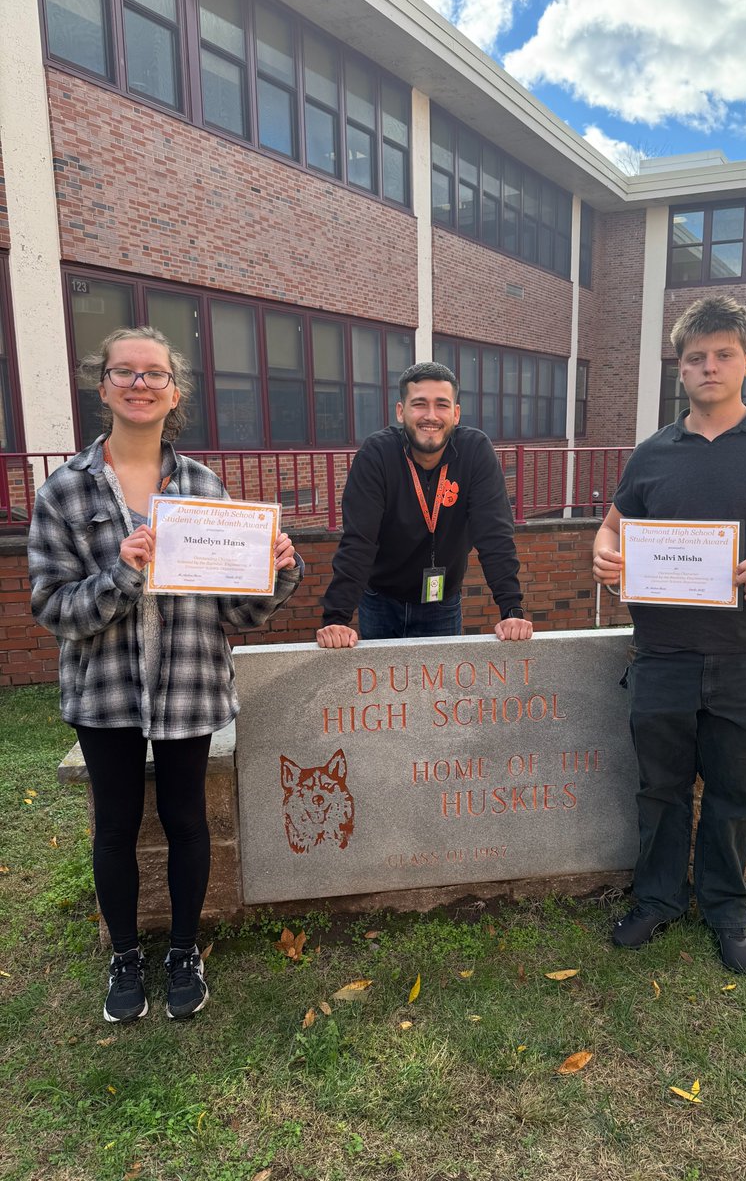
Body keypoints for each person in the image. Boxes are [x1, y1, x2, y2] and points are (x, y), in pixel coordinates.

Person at [29, 327, 303, 1022]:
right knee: (116, 825)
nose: (140, 383)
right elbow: (53, 609)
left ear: (173, 391)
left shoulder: (203, 487)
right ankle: (126, 958)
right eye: (126, 372)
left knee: (186, 819)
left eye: (155, 374)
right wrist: (122, 573)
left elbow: (239, 616)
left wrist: (277, 569)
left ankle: (184, 950)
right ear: (104, 386)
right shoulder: (65, 490)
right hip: (106, 687)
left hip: (187, 679)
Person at [592, 295, 746, 973]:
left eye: (723, 354)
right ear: (680, 368)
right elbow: (613, 528)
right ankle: (658, 899)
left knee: (736, 793)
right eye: (696, 357)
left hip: (745, 657)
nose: (709, 366)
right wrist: (603, 552)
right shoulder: (652, 454)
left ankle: (727, 908)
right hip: (664, 655)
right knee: (660, 789)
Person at [316, 361, 532, 647]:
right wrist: (336, 619)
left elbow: (495, 536)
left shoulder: (475, 451)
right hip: (380, 601)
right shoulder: (377, 454)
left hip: (442, 606)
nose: (431, 415)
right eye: (419, 404)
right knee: (382, 689)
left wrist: (511, 610)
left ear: (456, 413)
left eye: (441, 405)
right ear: (401, 411)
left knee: (441, 690)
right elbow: (359, 541)